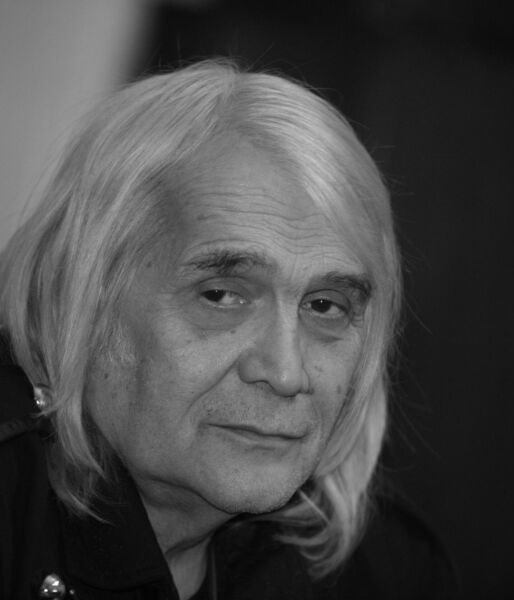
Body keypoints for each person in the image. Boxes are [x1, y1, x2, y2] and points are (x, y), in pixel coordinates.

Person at [0, 60, 456, 599]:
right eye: (221, 296)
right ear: (80, 296)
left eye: (325, 306)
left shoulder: (384, 574)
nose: (285, 373)